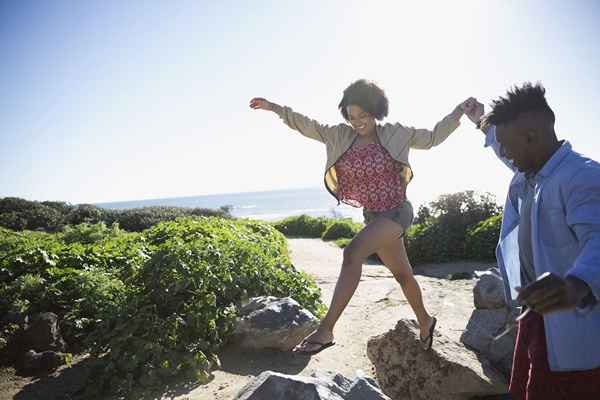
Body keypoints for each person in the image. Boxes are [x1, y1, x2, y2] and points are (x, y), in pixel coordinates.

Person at [250, 79, 473, 354]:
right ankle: (426, 321)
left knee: (352, 253)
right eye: (351, 116)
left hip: (397, 212)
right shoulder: (340, 136)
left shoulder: (396, 133)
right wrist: (275, 108)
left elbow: (433, 137)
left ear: (376, 112)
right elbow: (307, 124)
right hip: (374, 217)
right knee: (403, 275)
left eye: (363, 115)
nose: (357, 122)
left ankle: (326, 329)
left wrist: (458, 112)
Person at [463, 83, 600, 399]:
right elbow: (506, 149)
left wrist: (576, 285)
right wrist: (481, 119)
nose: (505, 153)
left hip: (573, 321)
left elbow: (598, 239)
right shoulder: (533, 170)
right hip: (538, 315)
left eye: (507, 145)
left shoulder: (582, 177)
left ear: (531, 137)